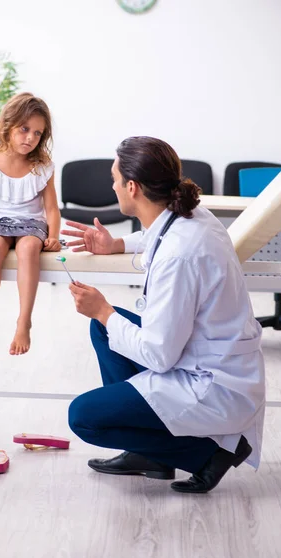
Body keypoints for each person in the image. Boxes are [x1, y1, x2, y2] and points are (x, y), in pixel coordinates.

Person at [62, 136, 265, 494]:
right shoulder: (191, 217)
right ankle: (150, 456)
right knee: (103, 330)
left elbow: (160, 355)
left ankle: (206, 454)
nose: (111, 186)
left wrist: (105, 310)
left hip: (211, 382)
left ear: (132, 187)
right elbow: (157, 236)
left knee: (84, 418)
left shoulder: (179, 257)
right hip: (211, 357)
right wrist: (117, 244)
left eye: (114, 179)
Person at [0, 92, 61, 359]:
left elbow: (52, 208)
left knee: (30, 247)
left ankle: (24, 321)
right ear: (8, 126)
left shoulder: (43, 167)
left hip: (32, 223)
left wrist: (53, 235)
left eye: (38, 133)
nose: (30, 138)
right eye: (24, 129)